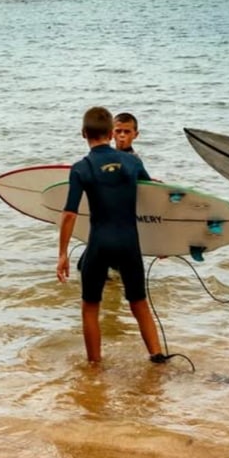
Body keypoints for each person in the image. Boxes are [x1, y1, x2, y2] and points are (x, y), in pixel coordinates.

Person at [57, 106, 165, 365]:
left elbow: (69, 214)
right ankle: (157, 357)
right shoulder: (133, 162)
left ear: (84, 133)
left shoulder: (81, 168)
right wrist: (163, 241)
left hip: (99, 244)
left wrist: (62, 254)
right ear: (110, 132)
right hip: (129, 244)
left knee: (90, 307)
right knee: (139, 303)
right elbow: (151, 200)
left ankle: (95, 366)